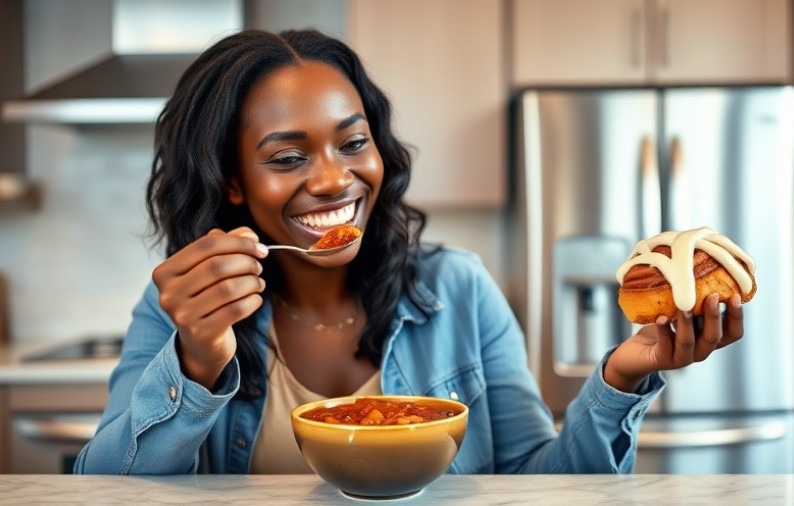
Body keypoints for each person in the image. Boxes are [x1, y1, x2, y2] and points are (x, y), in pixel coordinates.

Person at [74, 28, 745, 475]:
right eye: (286, 156)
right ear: (232, 183)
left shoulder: (459, 289)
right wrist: (195, 360)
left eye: (353, 142)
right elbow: (106, 491)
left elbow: (536, 487)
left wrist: (621, 377)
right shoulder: (182, 315)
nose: (335, 178)